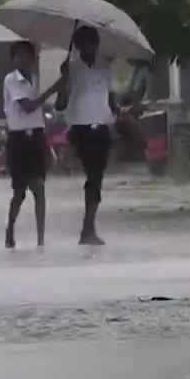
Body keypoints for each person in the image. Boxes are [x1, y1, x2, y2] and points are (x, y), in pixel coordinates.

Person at [57, 25, 116, 246]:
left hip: (102, 128)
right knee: (92, 177)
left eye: (93, 44)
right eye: (84, 45)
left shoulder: (104, 67)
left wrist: (121, 115)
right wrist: (63, 82)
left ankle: (88, 226)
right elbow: (61, 105)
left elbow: (110, 100)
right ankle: (87, 227)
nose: (89, 48)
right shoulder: (70, 68)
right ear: (78, 46)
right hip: (79, 129)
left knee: (96, 178)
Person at [3, 41, 62, 249]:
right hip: (19, 139)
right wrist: (53, 89)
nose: (22, 60)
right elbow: (27, 107)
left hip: (36, 137)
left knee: (39, 189)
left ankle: (41, 239)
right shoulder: (11, 80)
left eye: (25, 56)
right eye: (17, 56)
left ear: (32, 58)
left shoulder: (34, 79)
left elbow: (37, 108)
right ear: (13, 59)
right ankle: (10, 229)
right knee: (19, 192)